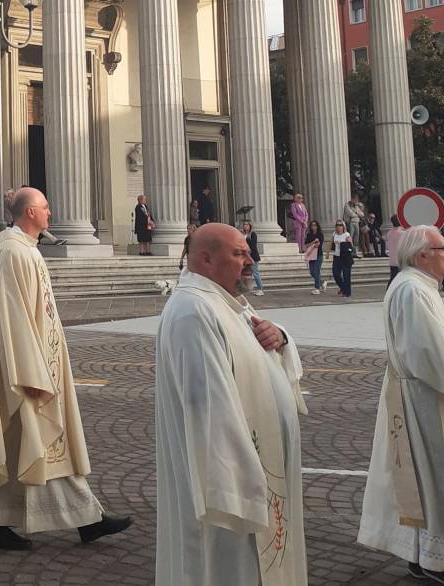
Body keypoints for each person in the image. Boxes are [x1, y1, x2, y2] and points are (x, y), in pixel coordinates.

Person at [0, 187, 133, 551]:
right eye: (44, 207)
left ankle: (71, 519)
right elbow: (13, 319)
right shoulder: (12, 253)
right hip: (26, 368)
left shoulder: (25, 250)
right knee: (37, 439)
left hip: (42, 361)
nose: (51, 212)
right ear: (28, 214)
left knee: (31, 443)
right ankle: (82, 519)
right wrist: (32, 371)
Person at [154, 222, 308, 586]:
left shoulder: (226, 301)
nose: (250, 259)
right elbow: (208, 406)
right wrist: (246, 486)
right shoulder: (193, 310)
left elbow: (261, 353)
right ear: (206, 259)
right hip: (230, 486)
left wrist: (281, 337)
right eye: (239, 253)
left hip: (257, 473)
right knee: (227, 568)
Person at [358, 226, 444, 583]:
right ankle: (433, 559)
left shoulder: (419, 286)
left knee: (423, 480)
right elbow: (429, 354)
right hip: (424, 400)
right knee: (431, 477)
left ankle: (421, 554)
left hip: (420, 394)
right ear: (422, 255)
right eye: (442, 248)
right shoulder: (412, 290)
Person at [328, 220, 354, 298]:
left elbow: (351, 246)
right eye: (337, 225)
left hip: (345, 257)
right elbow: (330, 243)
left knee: (346, 275)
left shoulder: (346, 235)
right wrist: (327, 252)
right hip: (336, 256)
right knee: (336, 274)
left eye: (340, 225)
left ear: (343, 227)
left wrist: (342, 244)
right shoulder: (334, 234)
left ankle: (347, 292)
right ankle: (343, 288)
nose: (338, 227)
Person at [241, 221, 264, 296]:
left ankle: (260, 289)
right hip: (245, 257)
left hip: (253, 256)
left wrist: (248, 249)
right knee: (245, 272)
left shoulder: (252, 234)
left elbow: (253, 245)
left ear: (250, 226)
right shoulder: (243, 234)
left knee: (255, 273)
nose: (245, 226)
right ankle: (247, 287)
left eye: (247, 225)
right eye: (244, 224)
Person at [303, 220, 324, 295]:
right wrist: (313, 242)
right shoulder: (309, 235)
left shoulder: (320, 234)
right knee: (312, 272)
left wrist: (316, 243)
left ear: (317, 226)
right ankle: (322, 282)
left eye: (315, 225)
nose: (313, 227)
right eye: (312, 225)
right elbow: (306, 245)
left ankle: (317, 288)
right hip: (311, 255)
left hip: (318, 255)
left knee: (316, 271)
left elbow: (319, 245)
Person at [385, 214, 404, 283]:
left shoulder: (389, 233)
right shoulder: (402, 233)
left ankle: (389, 291)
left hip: (392, 260)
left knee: (393, 279)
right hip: (400, 260)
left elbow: (387, 247)